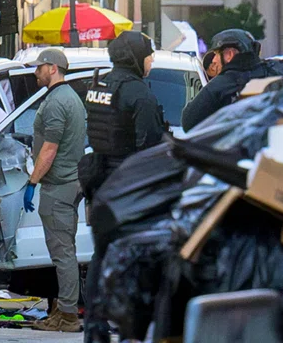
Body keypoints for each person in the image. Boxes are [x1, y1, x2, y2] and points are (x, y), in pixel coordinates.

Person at [80, 31, 164, 343]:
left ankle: (95, 327)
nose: (151, 61)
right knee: (139, 257)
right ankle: (134, 328)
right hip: (130, 184)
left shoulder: (99, 84)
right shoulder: (138, 94)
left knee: (102, 256)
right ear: (135, 57)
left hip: (100, 180)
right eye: (149, 55)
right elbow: (150, 146)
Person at [22, 49, 86, 334]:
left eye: (39, 68)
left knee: (62, 252)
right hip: (67, 183)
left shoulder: (58, 101)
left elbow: (50, 149)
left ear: (52, 68)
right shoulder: (69, 97)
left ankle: (69, 316)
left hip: (58, 186)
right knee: (64, 250)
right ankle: (63, 310)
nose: (36, 73)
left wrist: (32, 181)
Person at [181, 29, 283, 132]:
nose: (214, 60)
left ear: (229, 54)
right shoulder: (277, 72)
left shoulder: (220, 85)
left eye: (216, 55)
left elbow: (188, 122)